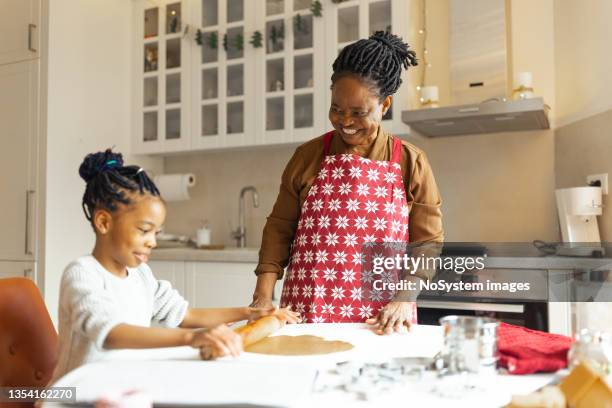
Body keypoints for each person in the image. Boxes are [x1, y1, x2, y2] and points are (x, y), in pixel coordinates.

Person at [49, 149, 299, 384]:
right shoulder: (83, 274)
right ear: (103, 222)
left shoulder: (140, 274)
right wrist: (193, 338)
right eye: (144, 230)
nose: (153, 242)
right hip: (75, 395)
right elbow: (113, 333)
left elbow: (185, 315)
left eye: (157, 233)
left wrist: (249, 313)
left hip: (122, 388)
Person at [250, 31, 444, 334]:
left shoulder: (410, 162)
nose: (345, 121)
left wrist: (404, 300)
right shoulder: (307, 156)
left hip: (382, 318)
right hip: (306, 310)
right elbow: (279, 228)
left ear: (385, 105)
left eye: (358, 112)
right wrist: (262, 297)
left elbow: (427, 243)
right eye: (336, 109)